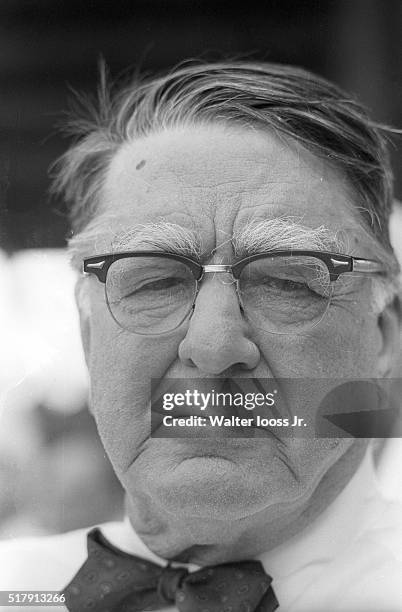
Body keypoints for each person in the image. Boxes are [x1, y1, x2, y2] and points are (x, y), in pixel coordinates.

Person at [1, 61, 402, 612]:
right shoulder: (21, 591)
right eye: (154, 282)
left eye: (287, 281)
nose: (213, 347)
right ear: (90, 337)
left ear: (384, 338)